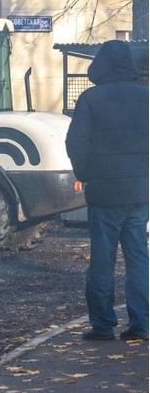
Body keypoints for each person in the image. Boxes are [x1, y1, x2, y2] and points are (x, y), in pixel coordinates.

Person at [65, 40, 149, 341]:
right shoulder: (146, 97)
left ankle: (103, 325)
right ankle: (141, 323)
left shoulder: (90, 99)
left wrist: (86, 175)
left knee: (103, 259)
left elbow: (76, 143)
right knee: (139, 257)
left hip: (104, 194)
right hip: (140, 193)